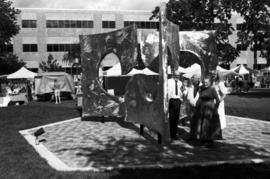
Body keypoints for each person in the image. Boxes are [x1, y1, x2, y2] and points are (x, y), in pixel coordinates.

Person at [197, 75, 222, 143]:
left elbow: (218, 99)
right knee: (203, 123)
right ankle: (203, 138)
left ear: (210, 82)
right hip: (203, 107)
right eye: (204, 82)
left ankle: (209, 139)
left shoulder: (212, 89)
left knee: (207, 123)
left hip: (210, 108)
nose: (206, 83)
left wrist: (215, 107)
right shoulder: (201, 89)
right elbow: (200, 98)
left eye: (207, 82)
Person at [168, 71, 183, 140]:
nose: (177, 76)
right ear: (173, 75)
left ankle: (174, 134)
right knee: (171, 117)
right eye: (176, 75)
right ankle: (171, 134)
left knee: (176, 118)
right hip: (171, 100)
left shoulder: (180, 83)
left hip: (178, 100)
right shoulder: (169, 81)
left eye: (178, 75)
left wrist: (182, 97)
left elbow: (182, 92)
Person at [187, 74, 201, 140]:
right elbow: (188, 96)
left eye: (194, 78)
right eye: (192, 78)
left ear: (198, 79)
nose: (193, 79)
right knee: (192, 121)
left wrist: (195, 102)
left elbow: (200, 96)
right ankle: (191, 135)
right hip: (191, 106)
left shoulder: (201, 87)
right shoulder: (190, 86)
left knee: (198, 121)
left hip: (198, 106)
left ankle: (197, 136)